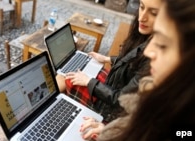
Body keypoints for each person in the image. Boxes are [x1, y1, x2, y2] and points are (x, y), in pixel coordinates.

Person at [80, 0, 195, 140]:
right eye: (141, 7)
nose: (149, 51)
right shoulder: (159, 97)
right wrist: (115, 131)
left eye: (163, 45)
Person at [57, 0, 161, 122]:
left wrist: (89, 82)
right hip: (113, 85)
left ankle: (49, 109)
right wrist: (107, 59)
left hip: (109, 109)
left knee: (65, 77)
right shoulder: (147, 37)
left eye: (153, 13)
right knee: (72, 72)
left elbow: (121, 99)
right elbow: (132, 62)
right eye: (141, 7)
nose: (142, 17)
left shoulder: (154, 55)